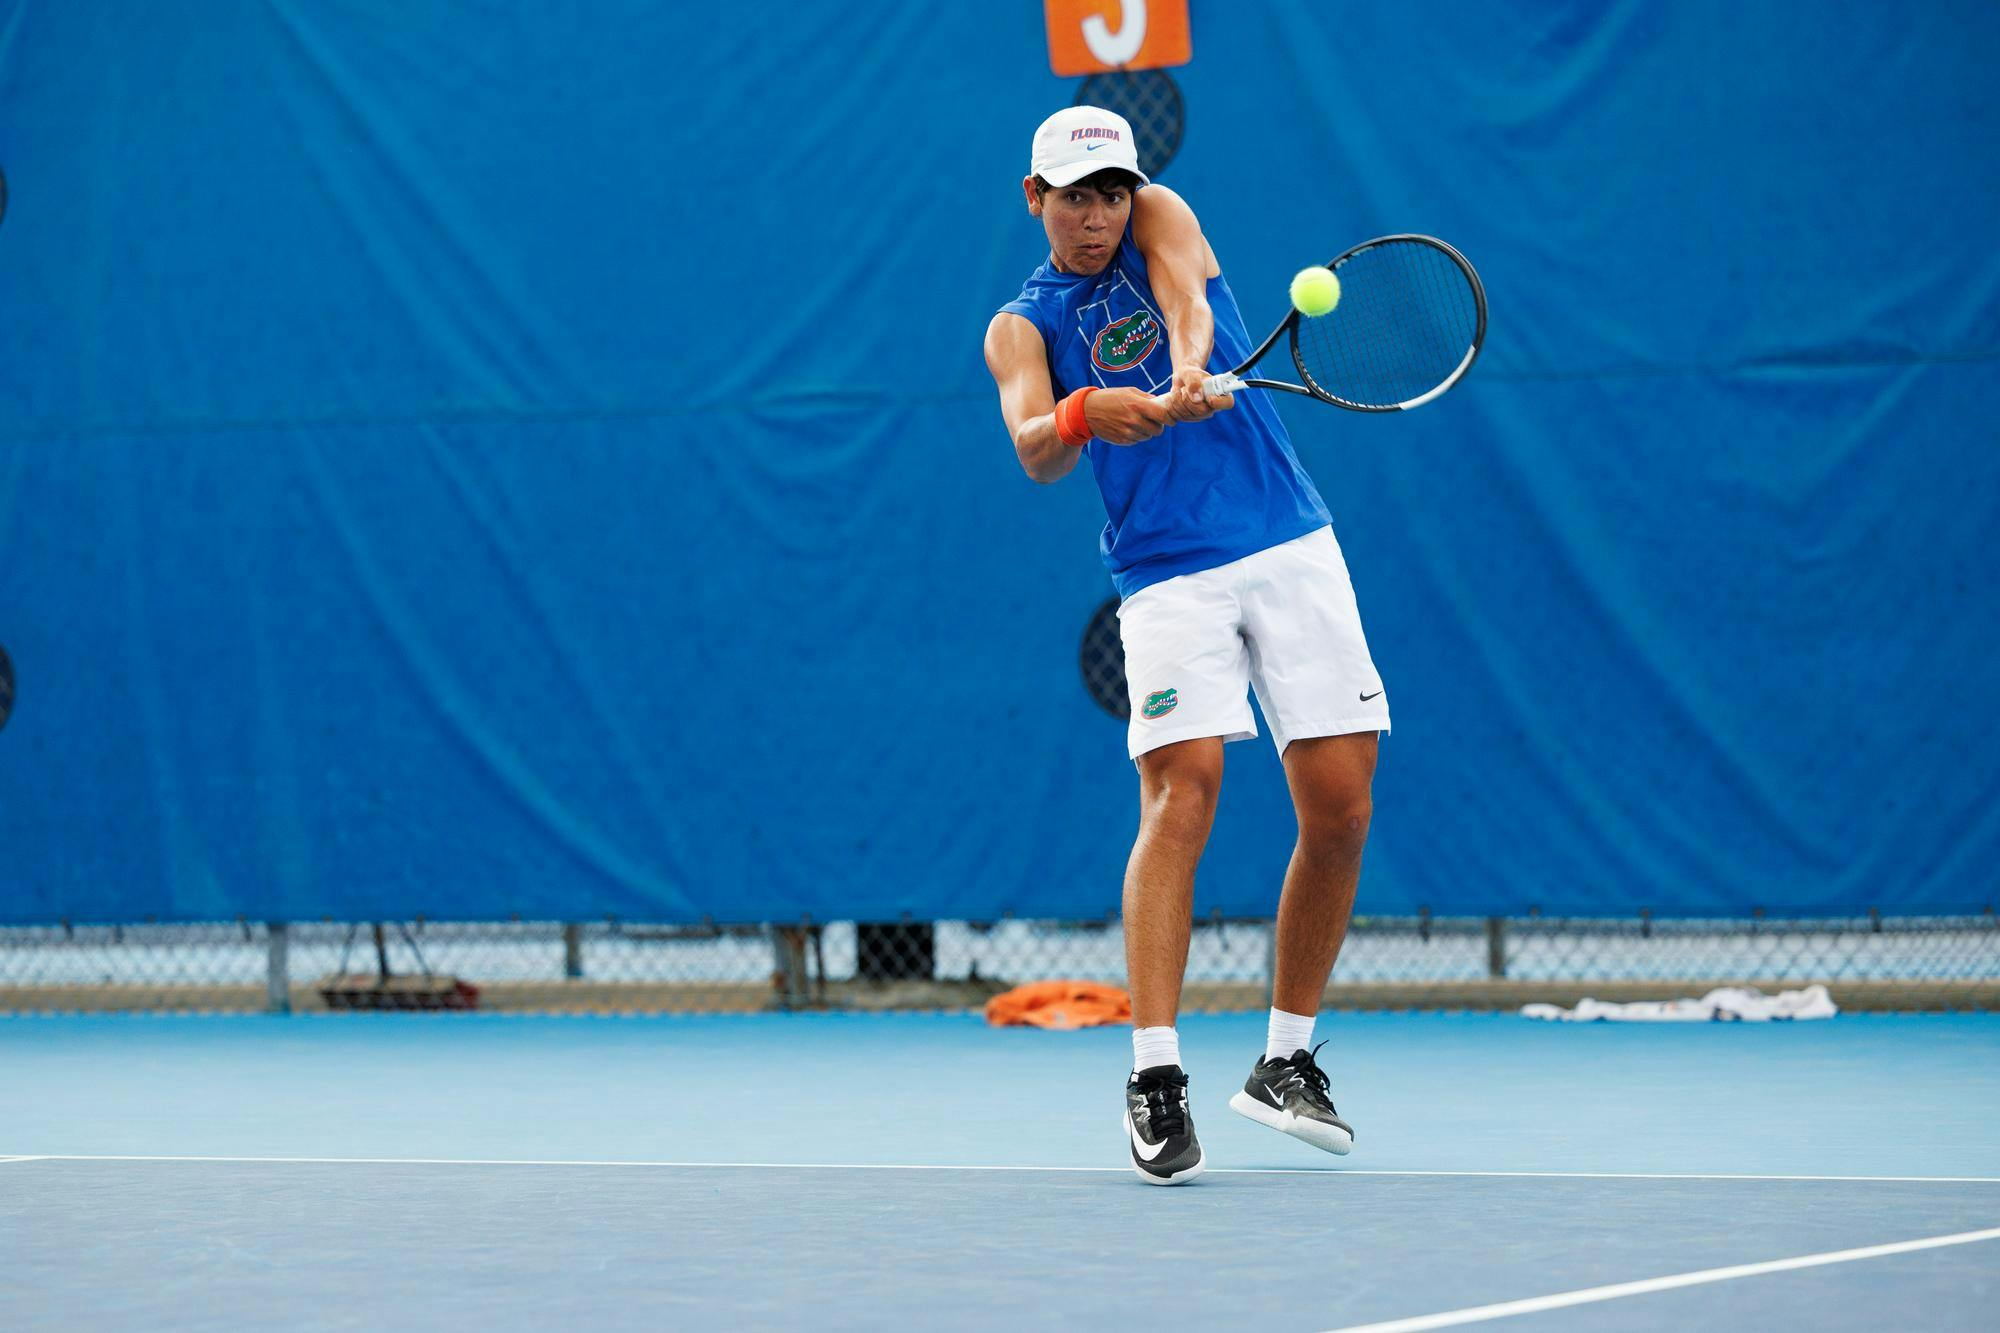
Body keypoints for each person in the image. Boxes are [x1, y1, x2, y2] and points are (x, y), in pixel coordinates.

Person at [983, 107, 1388, 1185]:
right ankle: (1154, 1077)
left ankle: (1285, 1060)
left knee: (1342, 805)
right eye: (1074, 196)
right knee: (1185, 790)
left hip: (1288, 538)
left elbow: (1180, 298)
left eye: (1110, 191)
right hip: (1164, 572)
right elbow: (1031, 448)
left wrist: (1191, 367)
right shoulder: (1018, 325)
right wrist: (1082, 412)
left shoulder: (1158, 213)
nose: (1098, 214)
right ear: (1035, 200)